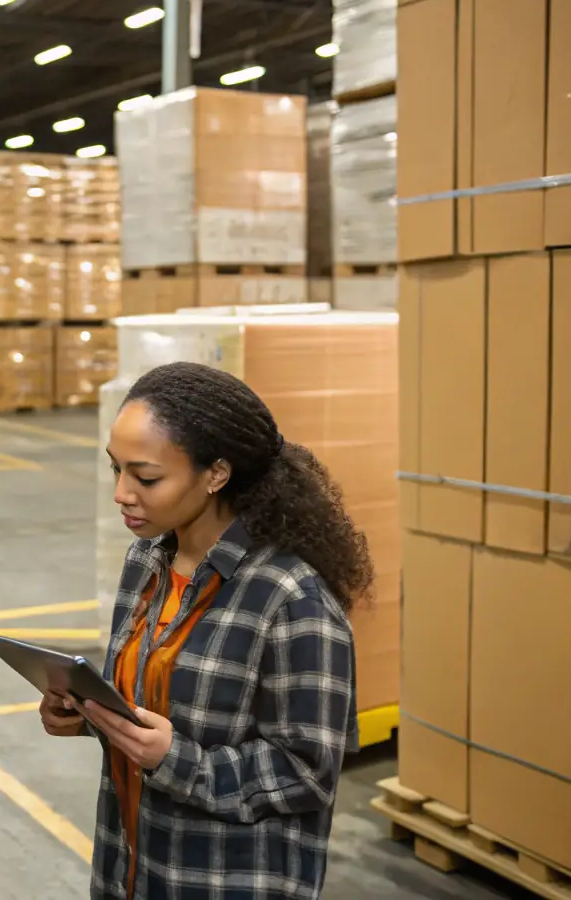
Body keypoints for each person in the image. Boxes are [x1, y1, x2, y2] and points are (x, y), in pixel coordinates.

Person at [41, 362, 372, 900]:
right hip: (133, 868)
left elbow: (308, 772)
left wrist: (178, 761)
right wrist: (89, 716)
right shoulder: (146, 561)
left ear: (216, 473)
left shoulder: (292, 600)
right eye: (115, 470)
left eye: (146, 477)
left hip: (223, 879)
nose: (123, 493)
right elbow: (153, 705)